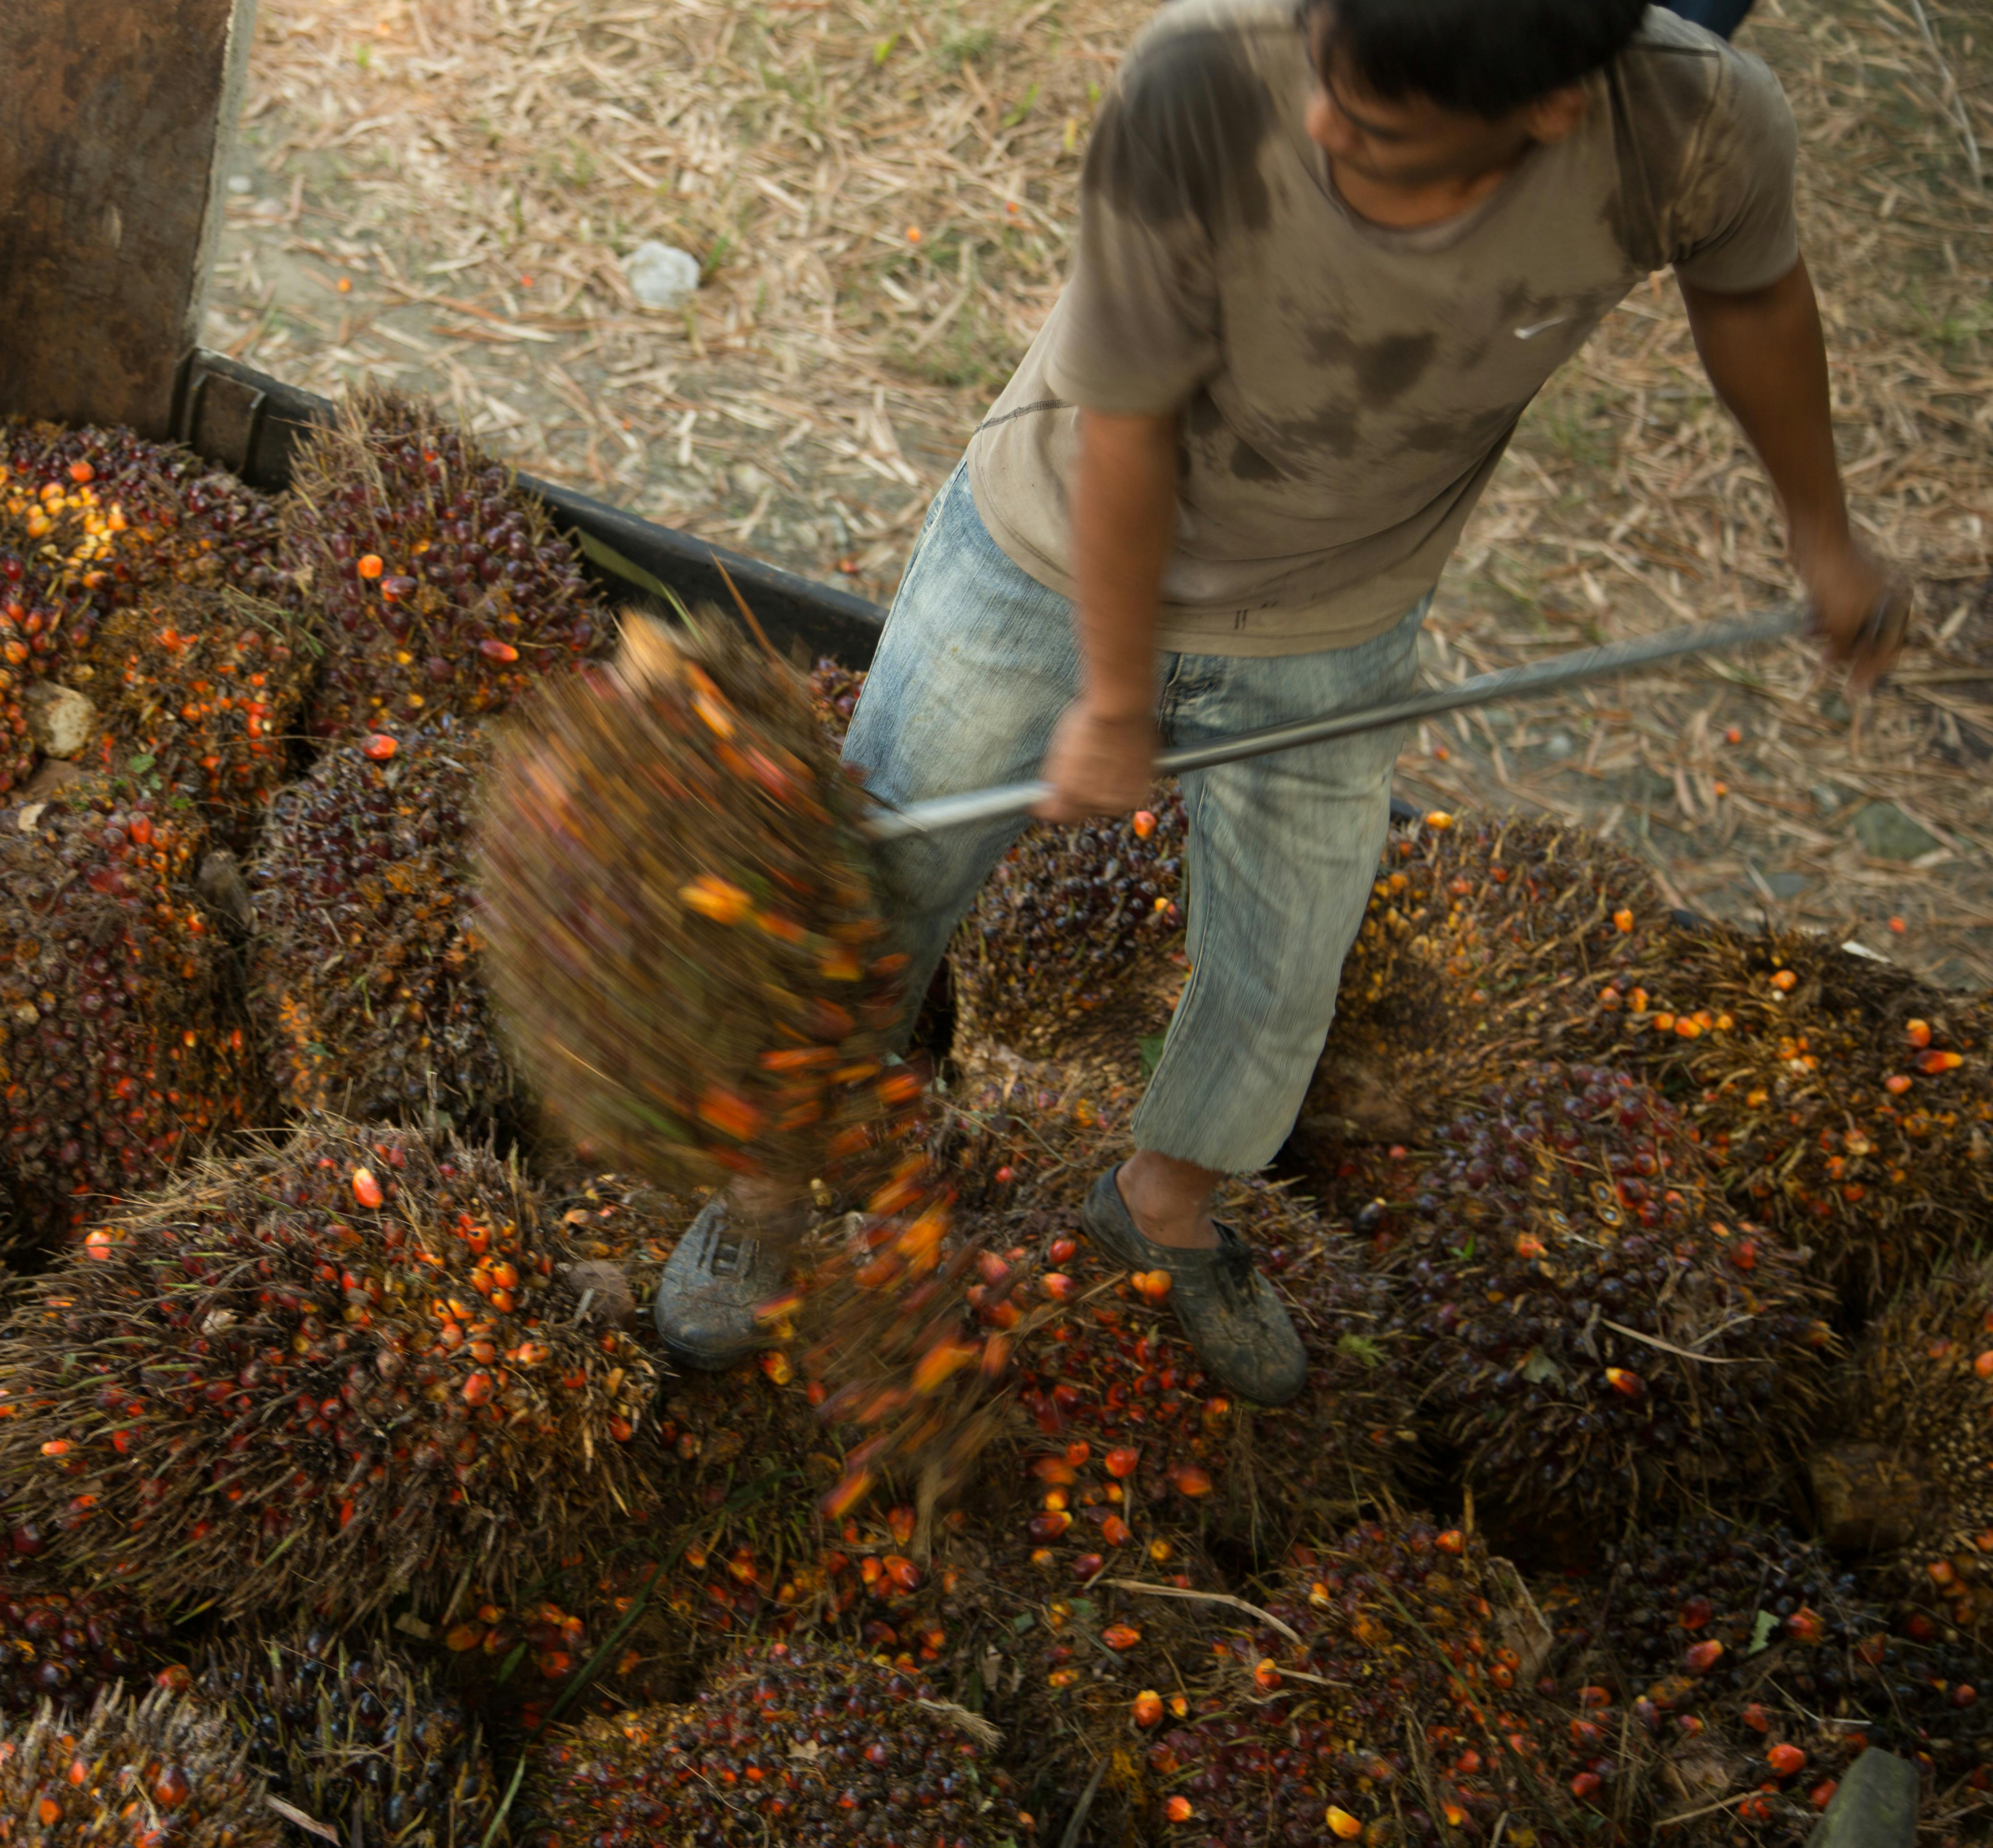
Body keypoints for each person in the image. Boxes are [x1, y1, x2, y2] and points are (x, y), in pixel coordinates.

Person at [655, 0, 1904, 1390]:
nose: (1323, 125)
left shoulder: (1697, 129)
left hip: (1334, 606)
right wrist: (1118, 699)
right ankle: (768, 1182)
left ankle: (1161, 1207)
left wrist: (1824, 533)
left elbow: (1755, 298)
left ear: (1550, 111)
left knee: (1285, 955)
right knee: (888, 866)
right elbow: (1133, 423)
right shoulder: (1203, 81)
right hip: (1048, 552)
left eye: (1376, 130)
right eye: (1326, 78)